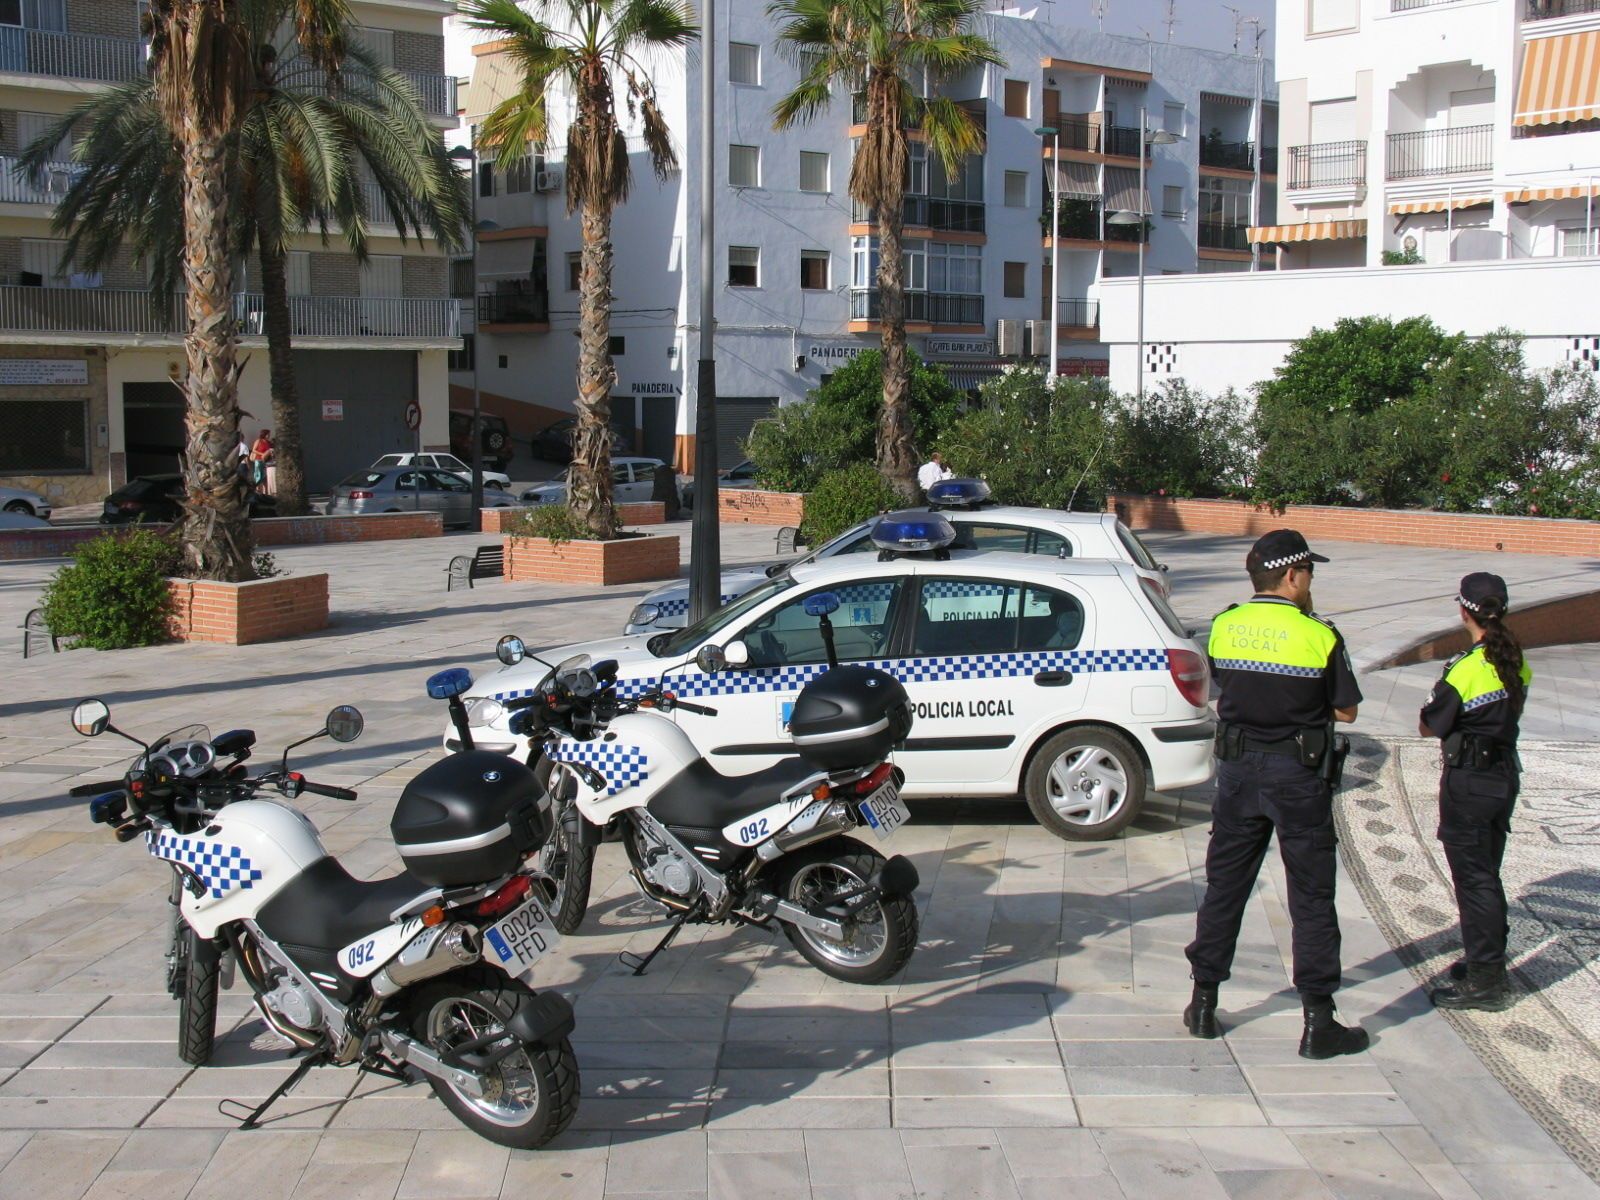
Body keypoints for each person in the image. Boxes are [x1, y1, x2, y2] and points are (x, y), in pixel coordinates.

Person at [1184, 529, 1369, 1059]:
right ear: (1292, 575)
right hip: (1298, 776)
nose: (1311, 581)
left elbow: (1226, 684)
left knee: (1225, 888)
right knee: (1310, 897)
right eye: (1310, 571)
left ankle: (1203, 1002)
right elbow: (1347, 710)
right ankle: (1318, 1020)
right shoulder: (1319, 635)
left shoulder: (1223, 626)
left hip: (1238, 774)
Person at [1418, 572, 1531, 1012]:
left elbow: (1430, 725)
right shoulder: (1516, 661)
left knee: (1475, 881)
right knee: (1487, 872)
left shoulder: (1465, 668)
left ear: (1463, 609)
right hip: (1503, 777)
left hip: (1469, 782)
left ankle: (1487, 979)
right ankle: (1486, 962)